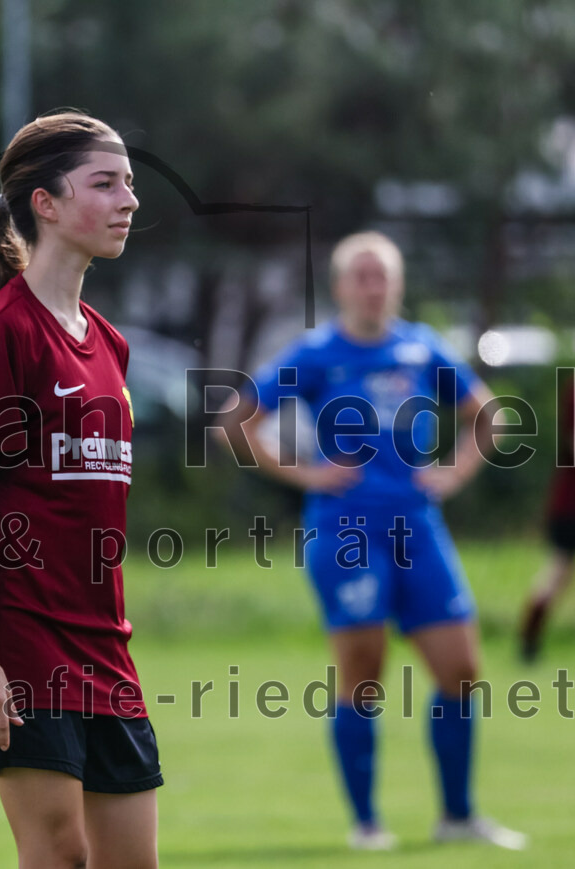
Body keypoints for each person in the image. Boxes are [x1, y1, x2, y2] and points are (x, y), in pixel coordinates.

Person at [218, 231, 526, 851]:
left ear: (398, 284)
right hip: (346, 532)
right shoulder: (315, 353)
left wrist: (454, 472)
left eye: (381, 275)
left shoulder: (420, 348)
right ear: (339, 287)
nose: (372, 286)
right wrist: (305, 473)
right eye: (360, 275)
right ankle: (366, 823)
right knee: (363, 674)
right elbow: (234, 421)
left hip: (418, 525)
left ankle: (458, 816)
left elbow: (489, 417)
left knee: (461, 670)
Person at [0, 111, 160, 869]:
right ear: (46, 203)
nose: (129, 200)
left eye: (130, 183)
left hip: (105, 644)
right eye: (106, 183)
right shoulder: (3, 334)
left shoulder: (109, 340)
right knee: (60, 855)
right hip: (23, 642)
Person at [519, 374, 575, 661]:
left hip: (565, 502)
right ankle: (529, 640)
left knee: (557, 572)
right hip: (569, 503)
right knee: (557, 573)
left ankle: (528, 640)